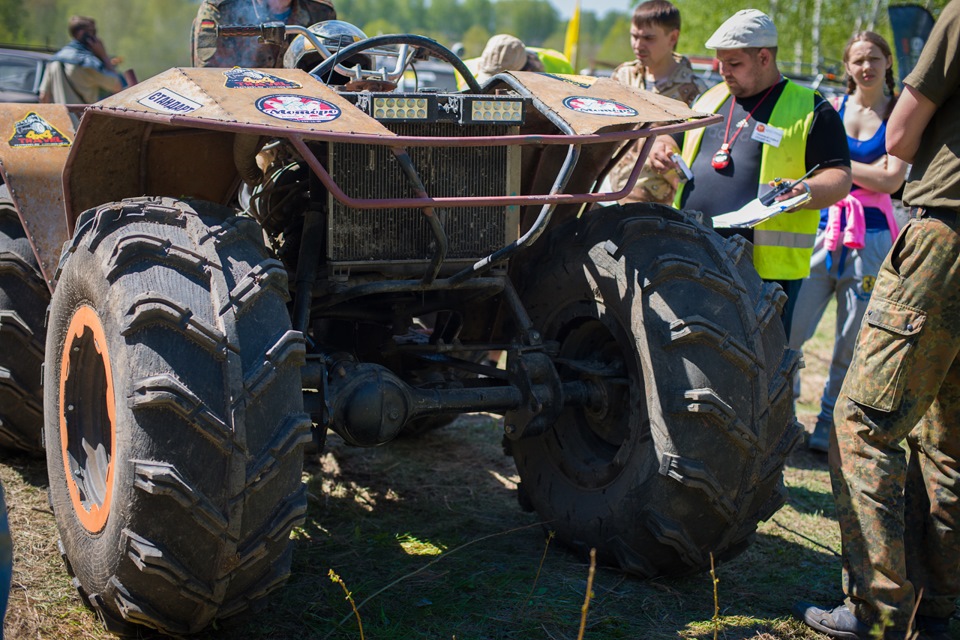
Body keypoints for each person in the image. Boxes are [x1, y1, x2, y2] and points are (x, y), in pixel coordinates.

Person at [795, 1, 960, 638]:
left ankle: (879, 608)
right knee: (949, 441)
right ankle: (940, 605)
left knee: (861, 423)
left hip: (945, 235)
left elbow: (899, 140)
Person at [649, 9, 851, 336]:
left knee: (762, 369)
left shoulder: (812, 108)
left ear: (763, 58)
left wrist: (805, 192)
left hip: (766, 272)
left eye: (734, 63)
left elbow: (840, 178)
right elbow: (672, 137)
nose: (723, 71)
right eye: (720, 63)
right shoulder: (709, 99)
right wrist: (662, 147)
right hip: (694, 252)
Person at [788, 32, 906, 453]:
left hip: (872, 237)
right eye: (857, 59)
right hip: (821, 228)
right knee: (791, 329)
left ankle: (826, 425)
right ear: (847, 65)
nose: (866, 67)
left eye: (874, 58)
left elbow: (893, 179)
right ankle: (784, 414)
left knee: (849, 342)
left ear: (889, 62)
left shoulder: (899, 114)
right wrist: (857, 171)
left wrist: (836, 164)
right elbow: (810, 164)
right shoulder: (832, 107)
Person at [607, 0, 709, 205]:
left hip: (663, 207)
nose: (638, 45)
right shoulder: (623, 77)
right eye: (634, 36)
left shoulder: (695, 92)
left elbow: (699, 154)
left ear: (673, 37)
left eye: (648, 38)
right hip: (612, 197)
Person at [192, 0, 336, 68]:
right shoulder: (221, 8)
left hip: (298, 109)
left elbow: (328, 73)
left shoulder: (320, 11)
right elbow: (208, 75)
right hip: (235, 110)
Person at [38, 15, 127, 105]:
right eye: (93, 32)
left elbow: (43, 97)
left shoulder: (54, 61)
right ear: (81, 33)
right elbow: (117, 85)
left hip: (61, 118)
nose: (96, 38)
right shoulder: (87, 63)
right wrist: (103, 56)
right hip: (83, 118)